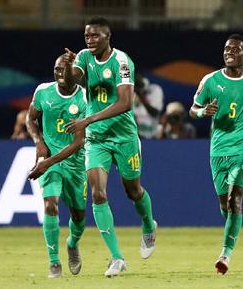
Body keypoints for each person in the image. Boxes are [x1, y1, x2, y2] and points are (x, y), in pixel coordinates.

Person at [62, 16, 157, 277]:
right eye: (87, 36)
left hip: (124, 136)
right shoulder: (82, 57)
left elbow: (125, 102)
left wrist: (89, 118)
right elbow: (71, 84)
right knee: (98, 193)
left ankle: (149, 225)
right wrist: (70, 68)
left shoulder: (122, 62)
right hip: (96, 139)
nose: (90, 41)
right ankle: (117, 258)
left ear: (108, 37)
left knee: (133, 190)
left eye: (95, 36)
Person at [189, 34, 243, 275]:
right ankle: (233, 225)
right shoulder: (210, 81)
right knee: (226, 206)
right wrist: (204, 112)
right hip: (218, 149)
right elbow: (193, 109)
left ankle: (225, 254)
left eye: (235, 50)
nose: (229, 52)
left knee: (235, 199)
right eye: (226, 49)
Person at [26, 55, 88, 278]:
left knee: (79, 217)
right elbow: (30, 118)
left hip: (75, 163)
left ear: (74, 73)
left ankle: (72, 243)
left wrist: (47, 162)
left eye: (64, 69)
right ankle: (54, 263)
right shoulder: (43, 91)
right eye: (56, 69)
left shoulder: (83, 98)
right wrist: (39, 142)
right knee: (50, 205)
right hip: (51, 160)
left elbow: (78, 141)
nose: (59, 73)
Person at [133, 71, 164, 139]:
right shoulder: (128, 93)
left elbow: (155, 113)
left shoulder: (155, 89)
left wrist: (140, 95)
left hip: (154, 136)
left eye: (139, 81)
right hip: (138, 137)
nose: (138, 85)